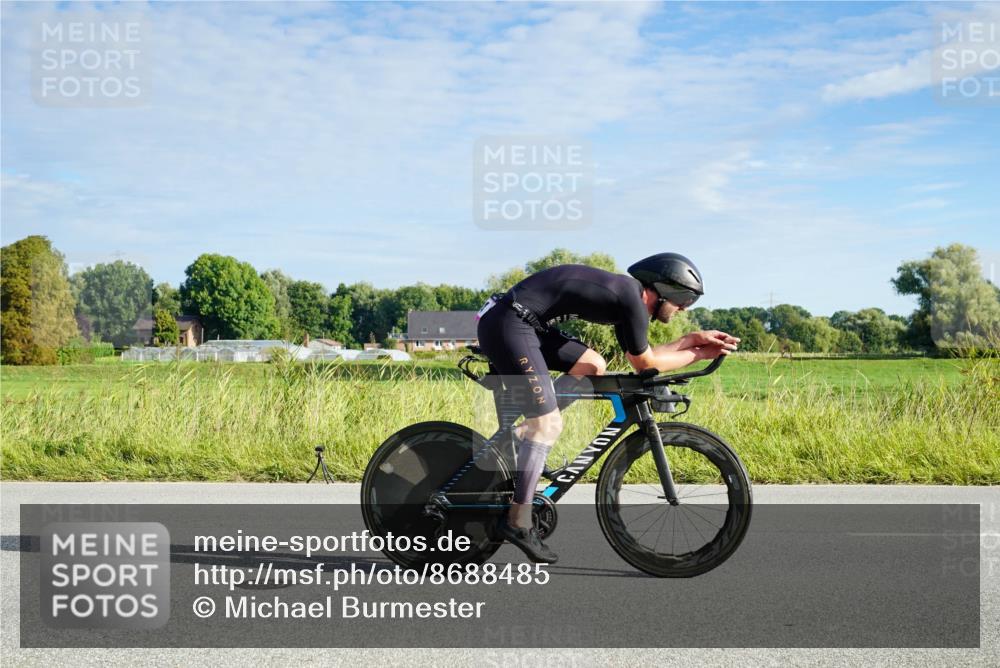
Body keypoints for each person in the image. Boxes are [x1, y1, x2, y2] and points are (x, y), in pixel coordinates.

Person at [475, 253, 740, 563]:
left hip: (521, 322)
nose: (683, 308)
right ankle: (517, 521)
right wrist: (698, 353)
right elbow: (646, 364)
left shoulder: (627, 300)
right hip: (509, 323)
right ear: (660, 289)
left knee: (591, 364)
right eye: (683, 298)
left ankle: (522, 436)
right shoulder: (630, 299)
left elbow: (646, 356)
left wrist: (692, 341)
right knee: (547, 424)